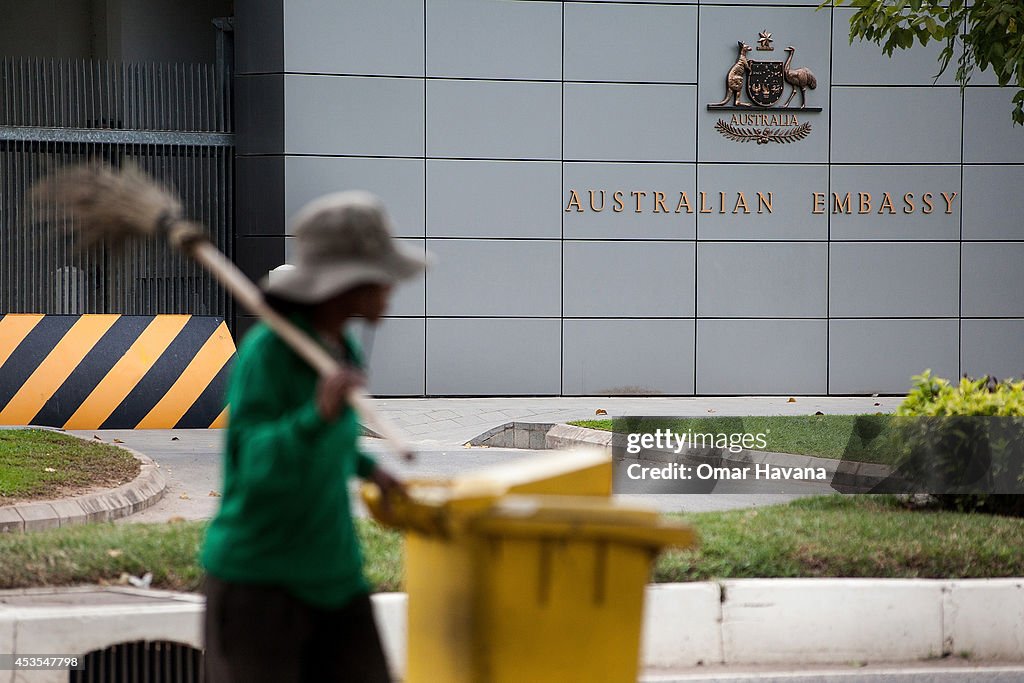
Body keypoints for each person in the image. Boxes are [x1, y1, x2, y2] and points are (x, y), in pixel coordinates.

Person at [201, 191, 427, 682]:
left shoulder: (340, 346)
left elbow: (333, 444)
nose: (390, 287)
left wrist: (372, 471)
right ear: (346, 285)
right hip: (260, 586)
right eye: (379, 277)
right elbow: (254, 466)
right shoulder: (269, 354)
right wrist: (314, 416)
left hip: (335, 577)